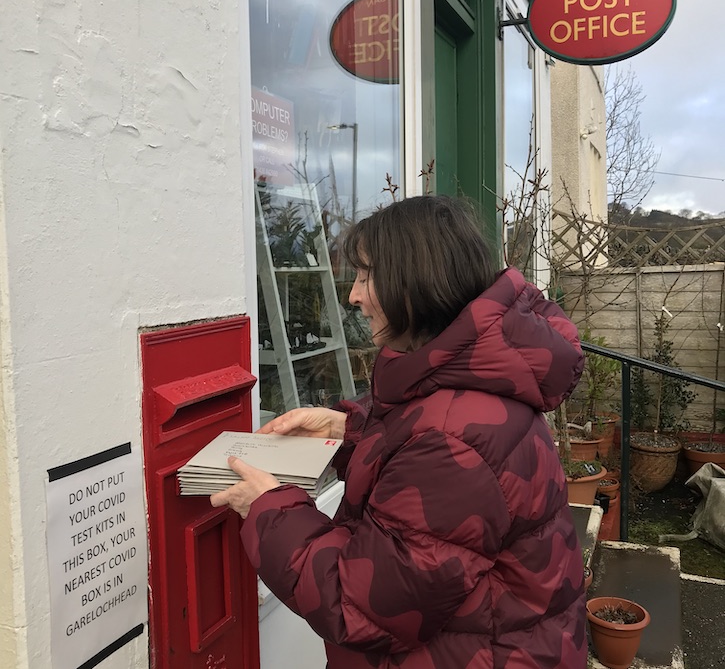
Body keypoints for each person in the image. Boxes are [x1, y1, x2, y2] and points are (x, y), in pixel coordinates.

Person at [211, 195, 588, 668]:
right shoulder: (468, 382)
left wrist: (269, 509)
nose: (353, 295)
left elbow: (361, 606)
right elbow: (423, 446)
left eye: (367, 277)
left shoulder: (454, 443)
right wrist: (348, 430)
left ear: (417, 281)